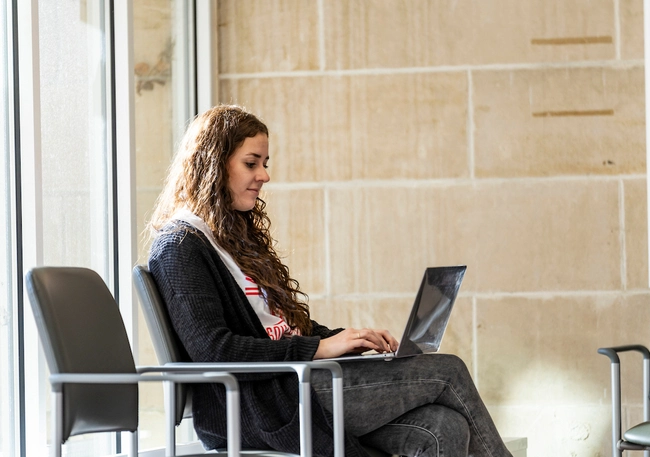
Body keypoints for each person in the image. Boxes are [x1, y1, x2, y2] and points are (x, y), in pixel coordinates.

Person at [147, 104, 513, 457]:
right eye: (251, 163)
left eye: (265, 163)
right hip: (265, 404)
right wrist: (318, 350)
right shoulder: (180, 246)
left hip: (296, 384)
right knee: (448, 371)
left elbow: (282, 329)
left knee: (442, 427)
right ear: (212, 164)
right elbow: (215, 351)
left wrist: (345, 340)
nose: (265, 175)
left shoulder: (230, 236)